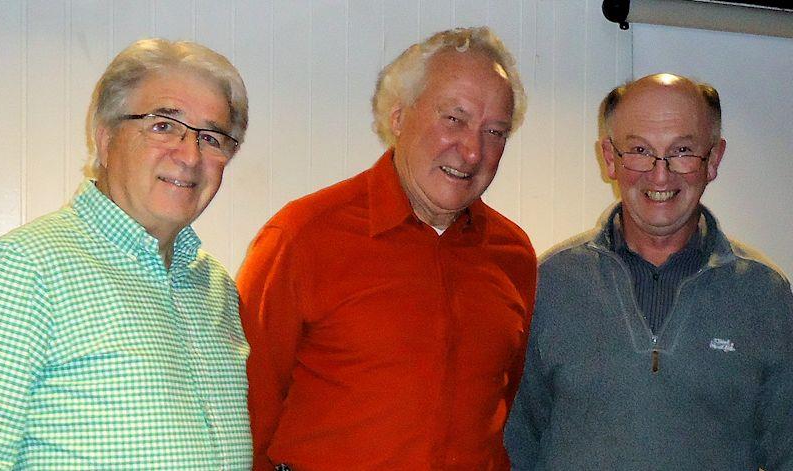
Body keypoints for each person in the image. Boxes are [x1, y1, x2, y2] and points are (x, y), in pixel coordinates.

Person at [237, 26, 536, 470]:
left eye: (495, 132)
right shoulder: (302, 238)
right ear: (397, 117)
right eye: (454, 119)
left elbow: (500, 406)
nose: (473, 151)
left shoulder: (513, 255)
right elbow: (248, 409)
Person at [505, 73, 793, 470]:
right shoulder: (550, 284)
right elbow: (515, 447)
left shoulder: (766, 296)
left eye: (683, 151)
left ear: (714, 160)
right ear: (609, 158)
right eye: (639, 149)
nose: (661, 175)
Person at [0, 38, 253, 469]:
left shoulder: (215, 287)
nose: (189, 156)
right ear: (106, 137)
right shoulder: (25, 270)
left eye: (211, 138)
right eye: (163, 126)